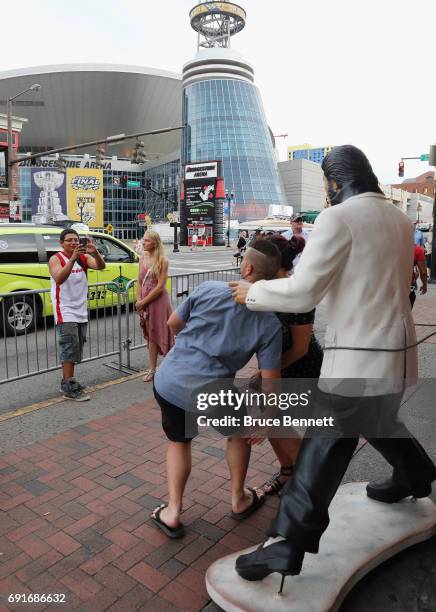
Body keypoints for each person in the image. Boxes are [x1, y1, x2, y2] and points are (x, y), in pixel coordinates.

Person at [230, 145, 436, 587]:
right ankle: (415, 473)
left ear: (335, 182)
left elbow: (305, 292)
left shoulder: (339, 218)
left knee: (326, 442)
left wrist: (254, 294)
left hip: (359, 353)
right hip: (399, 348)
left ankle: (288, 542)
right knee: (378, 420)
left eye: (328, 186)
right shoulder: (400, 221)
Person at [151, 241, 284, 538]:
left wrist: (193, 347)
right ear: (272, 279)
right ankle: (238, 499)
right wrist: (265, 418)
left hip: (171, 380)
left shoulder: (209, 289)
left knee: (179, 441)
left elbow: (173, 324)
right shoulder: (270, 323)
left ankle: (172, 511)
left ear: (246, 267)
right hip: (214, 390)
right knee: (238, 434)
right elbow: (272, 379)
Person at [257, 233, 324, 495]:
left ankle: (305, 483)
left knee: (279, 420)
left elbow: (300, 348)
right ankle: (289, 471)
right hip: (279, 368)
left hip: (303, 368)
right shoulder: (264, 289)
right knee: (268, 415)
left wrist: (268, 372)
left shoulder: (297, 293)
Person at [49, 228, 106, 401]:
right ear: (61, 243)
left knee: (76, 348)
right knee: (69, 348)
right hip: (65, 311)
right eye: (69, 240)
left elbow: (101, 266)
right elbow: (59, 278)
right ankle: (68, 387)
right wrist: (72, 259)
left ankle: (69, 382)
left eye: (76, 239)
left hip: (81, 310)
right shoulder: (55, 258)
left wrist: (95, 252)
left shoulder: (83, 257)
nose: (74, 242)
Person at [136, 230, 174, 383]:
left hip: (159, 302)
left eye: (146, 241)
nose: (143, 243)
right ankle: (152, 369)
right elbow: (139, 282)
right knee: (151, 335)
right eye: (143, 240)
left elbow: (160, 287)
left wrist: (143, 302)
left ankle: (172, 366)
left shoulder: (163, 260)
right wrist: (139, 300)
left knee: (164, 332)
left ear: (155, 243)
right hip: (145, 301)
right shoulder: (142, 258)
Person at [409, 244, 427, 308]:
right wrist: (424, 285)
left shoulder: (389, 247)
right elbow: (423, 272)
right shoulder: (417, 249)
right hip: (407, 288)